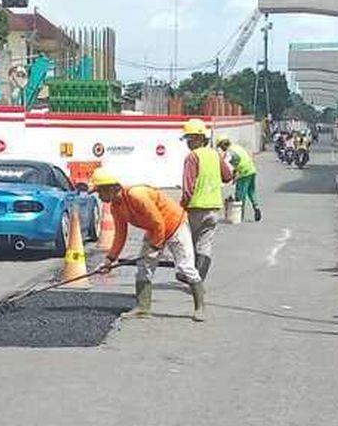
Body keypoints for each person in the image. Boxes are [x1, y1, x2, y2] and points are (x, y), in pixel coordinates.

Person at [91, 169, 206, 322]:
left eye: (100, 192)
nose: (99, 196)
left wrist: (155, 247)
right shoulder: (116, 207)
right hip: (154, 229)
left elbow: (159, 222)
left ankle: (200, 307)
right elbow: (120, 235)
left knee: (186, 267)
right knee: (144, 266)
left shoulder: (136, 195)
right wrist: (109, 260)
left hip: (175, 225)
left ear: (111, 188)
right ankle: (142, 308)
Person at [180, 118, 234, 281]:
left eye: (189, 139)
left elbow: (188, 185)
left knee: (189, 242)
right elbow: (228, 176)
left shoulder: (192, 157)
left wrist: (182, 204)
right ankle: (198, 278)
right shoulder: (215, 155)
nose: (188, 143)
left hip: (196, 207)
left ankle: (190, 275)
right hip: (214, 207)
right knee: (205, 244)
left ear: (198, 138)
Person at [216, 135, 261, 222]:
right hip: (252, 170)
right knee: (251, 191)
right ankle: (256, 207)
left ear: (223, 145)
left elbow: (235, 162)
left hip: (243, 173)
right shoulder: (236, 147)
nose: (221, 149)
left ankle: (239, 215)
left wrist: (234, 175)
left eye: (220, 146)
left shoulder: (230, 152)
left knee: (240, 194)